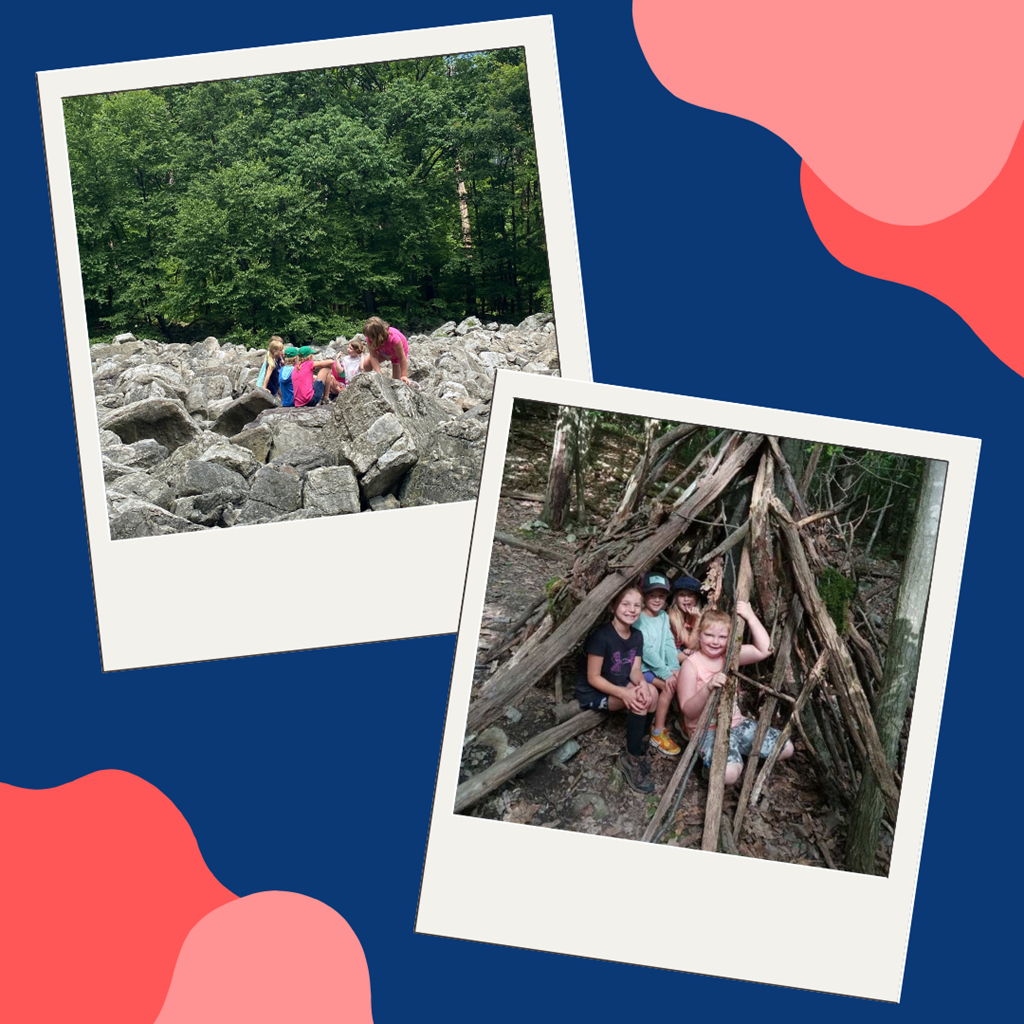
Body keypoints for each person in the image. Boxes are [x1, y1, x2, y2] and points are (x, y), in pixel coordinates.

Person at [677, 602, 794, 785]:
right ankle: (712, 767)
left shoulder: (730, 657)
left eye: (722, 637)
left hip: (737, 723)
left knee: (786, 747)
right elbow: (688, 711)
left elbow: (765, 649)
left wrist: (749, 615)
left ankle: (737, 752)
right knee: (729, 775)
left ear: (730, 638)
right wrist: (707, 688)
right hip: (706, 731)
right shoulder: (690, 665)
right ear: (699, 634)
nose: (715, 642)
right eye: (709, 635)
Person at [574, 584, 659, 794]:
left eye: (637, 605)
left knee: (653, 694)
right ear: (613, 607)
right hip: (595, 691)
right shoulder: (601, 636)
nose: (632, 609)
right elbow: (593, 677)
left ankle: (639, 745)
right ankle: (629, 759)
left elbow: (635, 669)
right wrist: (625, 693)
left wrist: (641, 684)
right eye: (626, 604)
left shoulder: (637, 636)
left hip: (620, 684)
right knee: (640, 701)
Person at [635, 572, 683, 758]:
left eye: (661, 596)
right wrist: (666, 674)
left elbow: (669, 642)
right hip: (644, 669)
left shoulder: (663, 616)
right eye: (652, 595)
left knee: (679, 680)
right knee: (669, 688)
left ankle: (685, 723)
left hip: (660, 667)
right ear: (644, 596)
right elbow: (646, 650)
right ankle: (657, 732)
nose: (657, 600)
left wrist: (674, 669)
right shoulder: (638, 619)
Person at [361, 316, 410, 384]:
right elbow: (373, 356)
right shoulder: (369, 338)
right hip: (383, 352)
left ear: (377, 336)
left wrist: (404, 375)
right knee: (366, 364)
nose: (368, 338)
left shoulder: (393, 338)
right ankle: (365, 383)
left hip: (396, 354)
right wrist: (378, 374)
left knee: (396, 381)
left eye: (370, 337)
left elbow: (402, 357)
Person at [669, 575, 704, 658]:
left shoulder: (701, 612)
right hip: (675, 652)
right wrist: (698, 620)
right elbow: (690, 644)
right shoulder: (673, 615)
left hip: (692, 649)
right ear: (676, 598)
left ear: (696, 598)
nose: (686, 599)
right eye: (681, 595)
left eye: (690, 595)